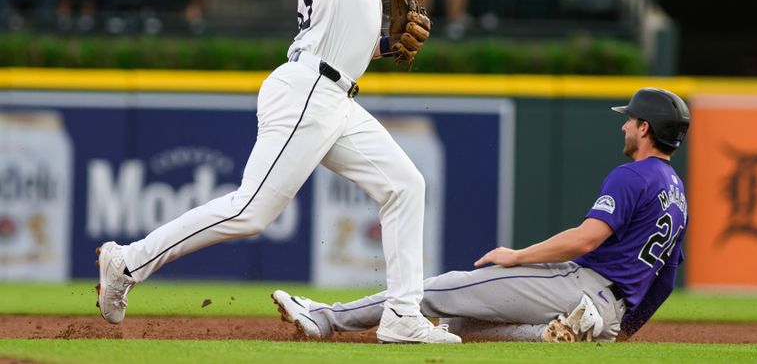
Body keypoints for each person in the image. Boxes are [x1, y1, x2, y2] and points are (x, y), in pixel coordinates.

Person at [95, 0, 460, 344]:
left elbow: (352, 46)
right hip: (308, 90)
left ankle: (402, 315)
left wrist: (390, 46)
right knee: (251, 211)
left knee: (405, 185)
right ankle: (127, 261)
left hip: (336, 94)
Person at [272, 88, 691, 343]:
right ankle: (562, 334)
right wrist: (621, 330)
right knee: (455, 325)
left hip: (581, 285)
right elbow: (666, 280)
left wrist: (517, 256)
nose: (624, 127)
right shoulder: (678, 194)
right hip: (611, 310)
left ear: (645, 129)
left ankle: (324, 318)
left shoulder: (633, 176)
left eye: (631, 120)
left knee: (436, 289)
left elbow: (586, 240)